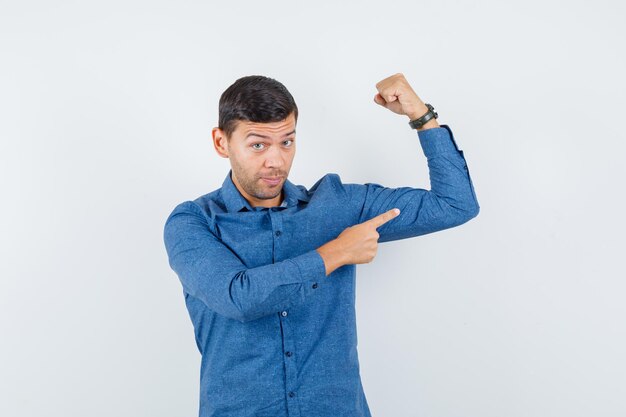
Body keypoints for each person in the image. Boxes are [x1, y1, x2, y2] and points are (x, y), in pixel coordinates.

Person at [163, 73, 480, 417]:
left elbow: (455, 205)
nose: (276, 161)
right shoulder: (193, 222)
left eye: (286, 142)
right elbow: (238, 298)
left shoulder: (338, 206)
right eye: (258, 145)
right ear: (221, 142)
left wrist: (421, 116)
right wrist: (338, 252)